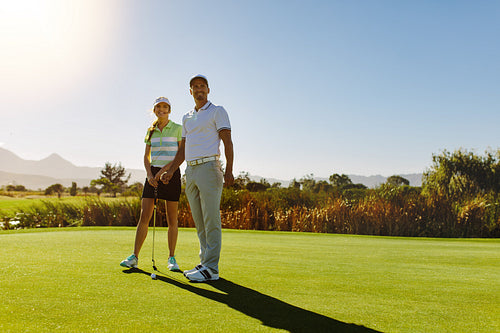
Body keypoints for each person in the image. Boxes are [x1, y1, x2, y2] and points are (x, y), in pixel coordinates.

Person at [161, 74, 234, 282]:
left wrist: (229, 170)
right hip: (190, 172)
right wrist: (172, 170)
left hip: (210, 167)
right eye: (195, 87)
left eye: (202, 86)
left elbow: (228, 141)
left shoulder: (217, 111)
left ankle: (211, 268)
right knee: (200, 222)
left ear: (208, 90)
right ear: (190, 91)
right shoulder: (187, 117)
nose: (199, 89)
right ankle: (205, 264)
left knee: (211, 219)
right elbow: (183, 149)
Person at [120, 96, 183, 271]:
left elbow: (180, 155)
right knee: (144, 216)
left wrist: (164, 171)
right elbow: (146, 156)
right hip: (152, 175)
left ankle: (172, 258)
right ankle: (134, 257)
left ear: (169, 110)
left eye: (165, 107)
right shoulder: (151, 130)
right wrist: (149, 174)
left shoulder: (178, 128)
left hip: (172, 174)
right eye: (158, 107)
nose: (161, 109)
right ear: (154, 110)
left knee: (172, 218)